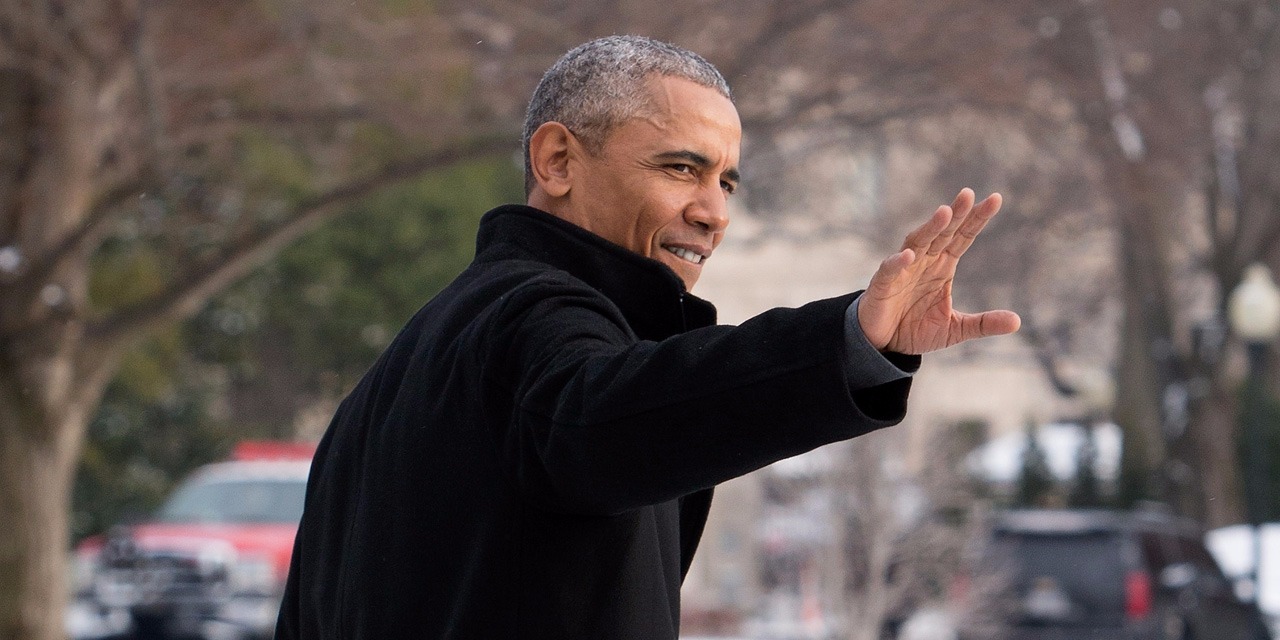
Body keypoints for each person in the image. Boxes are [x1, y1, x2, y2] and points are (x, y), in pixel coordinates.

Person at [274, 35, 1019, 640]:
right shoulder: (532, 318)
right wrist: (847, 339)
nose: (712, 211)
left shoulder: (406, 369)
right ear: (557, 160)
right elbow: (610, 414)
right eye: (681, 168)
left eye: (726, 181)